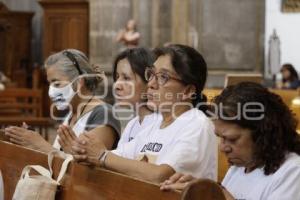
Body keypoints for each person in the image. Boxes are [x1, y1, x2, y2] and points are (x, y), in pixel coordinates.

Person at [71, 44, 217, 183]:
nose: (151, 84)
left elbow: (160, 175)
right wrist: (84, 150)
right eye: (152, 74)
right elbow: (118, 157)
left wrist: (102, 155)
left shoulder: (196, 124)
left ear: (188, 91)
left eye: (163, 77)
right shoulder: (155, 125)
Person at [160, 82, 300, 200]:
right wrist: (203, 190)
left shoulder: (292, 171)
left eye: (232, 139)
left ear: (263, 132)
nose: (223, 148)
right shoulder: (240, 166)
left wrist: (218, 195)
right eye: (220, 137)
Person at [4, 49, 121, 153]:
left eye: (57, 83)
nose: (51, 91)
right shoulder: (70, 115)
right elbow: (62, 156)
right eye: (49, 84)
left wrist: (40, 145)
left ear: (79, 82)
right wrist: (31, 141)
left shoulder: (103, 114)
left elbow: (86, 166)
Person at [112, 47, 161, 146]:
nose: (117, 85)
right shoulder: (132, 124)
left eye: (126, 78)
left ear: (149, 81)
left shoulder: (160, 123)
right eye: (117, 77)